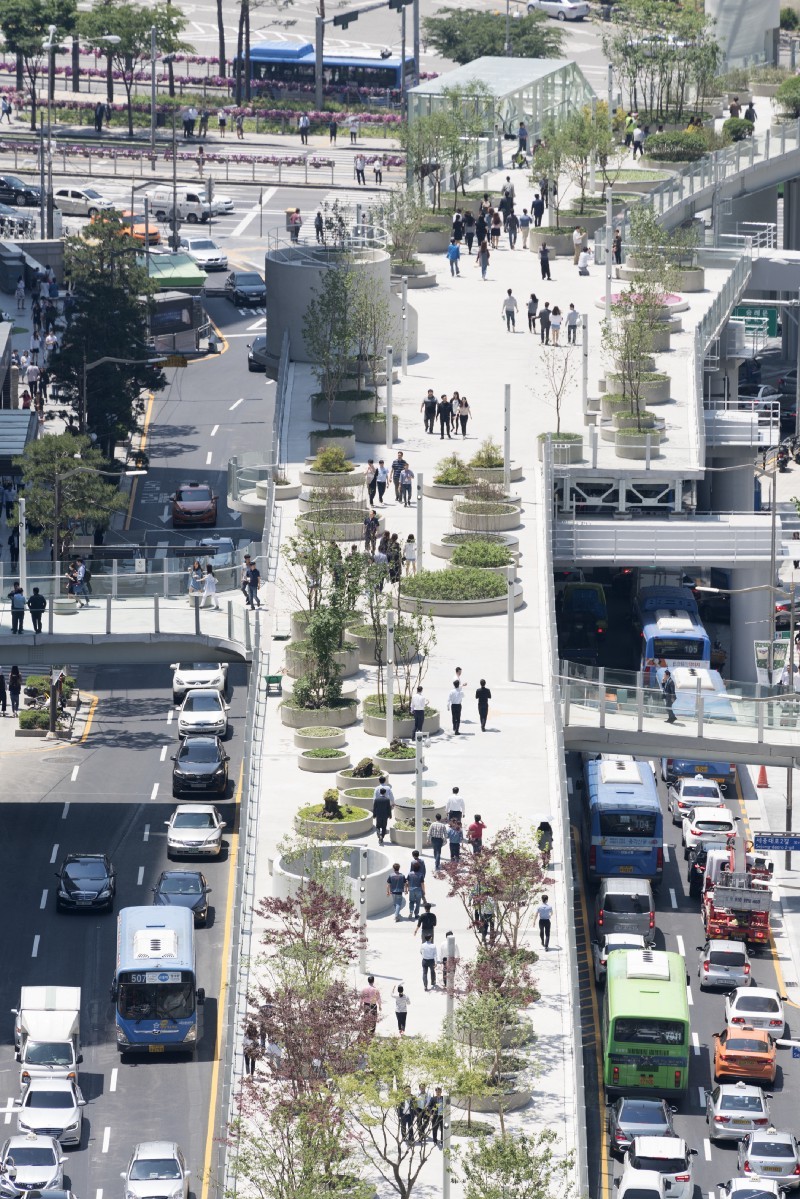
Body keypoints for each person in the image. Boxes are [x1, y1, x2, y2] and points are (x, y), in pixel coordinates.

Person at [373, 781, 394, 845]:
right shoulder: (387, 800)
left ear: (379, 792)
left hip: (378, 815)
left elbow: (374, 808)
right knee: (384, 826)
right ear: (385, 793)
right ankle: (382, 836)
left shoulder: (376, 800)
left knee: (378, 826)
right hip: (385, 815)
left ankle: (379, 834)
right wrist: (390, 815)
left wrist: (374, 815)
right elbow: (389, 808)